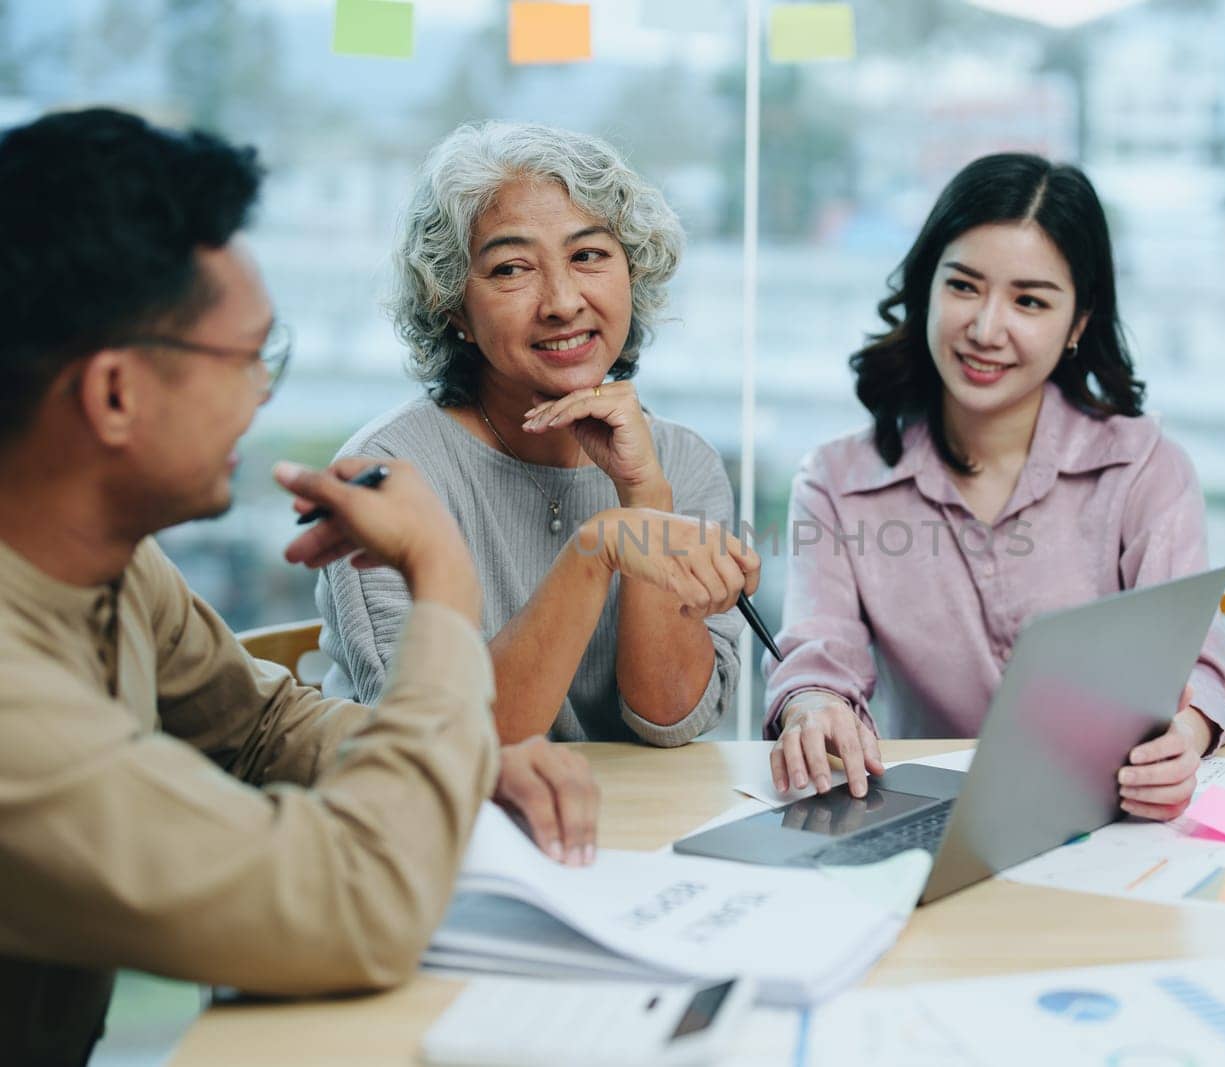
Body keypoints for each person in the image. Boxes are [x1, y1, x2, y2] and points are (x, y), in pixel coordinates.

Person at [0, 107, 757, 1067]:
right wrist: (440, 573)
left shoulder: (114, 565)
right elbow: (358, 906)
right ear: (113, 394)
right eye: (246, 361)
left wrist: (472, 760)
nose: (263, 399)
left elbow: (263, 729)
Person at [764, 153, 1225, 817]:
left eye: (1029, 300)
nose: (987, 329)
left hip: (1106, 822)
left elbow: (1198, 660)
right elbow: (820, 658)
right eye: (963, 286)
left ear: (1078, 322)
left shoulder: (1145, 468)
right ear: (924, 288)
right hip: (922, 820)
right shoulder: (836, 482)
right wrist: (813, 706)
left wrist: (1184, 738)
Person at [317, 121, 742, 749]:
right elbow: (445, 746)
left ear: (633, 271)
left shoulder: (682, 461)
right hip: (443, 828)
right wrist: (598, 549)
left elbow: (672, 719)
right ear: (453, 305)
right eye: (513, 268)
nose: (563, 301)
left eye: (588, 255)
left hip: (632, 830)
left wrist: (645, 497)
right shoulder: (385, 474)